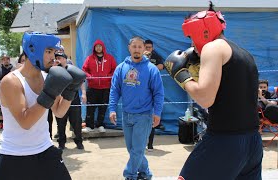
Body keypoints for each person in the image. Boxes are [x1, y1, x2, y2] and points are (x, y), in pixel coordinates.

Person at [164, 2, 263, 179]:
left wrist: (181, 75)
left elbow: (204, 98)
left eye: (191, 37)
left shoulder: (213, 47)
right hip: (253, 143)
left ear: (203, 31)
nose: (192, 44)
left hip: (225, 141)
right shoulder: (245, 54)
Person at [0, 32, 86, 180]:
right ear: (33, 50)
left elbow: (59, 112)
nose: (52, 57)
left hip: (45, 150)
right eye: (48, 51)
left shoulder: (47, 77)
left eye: (54, 52)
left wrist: (71, 90)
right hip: (14, 156)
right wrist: (48, 94)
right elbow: (26, 122)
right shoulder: (11, 82)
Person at [109, 36, 164, 180]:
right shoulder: (121, 68)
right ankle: (146, 174)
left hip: (144, 115)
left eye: (140, 47)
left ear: (144, 49)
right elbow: (115, 90)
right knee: (133, 150)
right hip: (126, 114)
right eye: (134, 46)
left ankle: (130, 175)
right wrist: (112, 109)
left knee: (137, 150)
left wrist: (157, 113)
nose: (137, 49)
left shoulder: (151, 69)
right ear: (129, 48)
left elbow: (158, 93)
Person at [82, 39, 117, 133]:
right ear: (94, 48)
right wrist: (90, 77)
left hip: (105, 87)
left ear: (103, 47)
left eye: (100, 46)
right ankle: (89, 126)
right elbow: (84, 69)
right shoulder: (89, 58)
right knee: (91, 107)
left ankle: (100, 125)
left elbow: (114, 69)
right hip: (92, 87)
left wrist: (108, 77)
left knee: (103, 107)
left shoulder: (110, 58)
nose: (98, 48)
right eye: (96, 46)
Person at [54, 51, 86, 150]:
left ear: (65, 59)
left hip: (74, 99)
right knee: (61, 122)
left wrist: (84, 93)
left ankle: (79, 141)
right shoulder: (54, 70)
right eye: (57, 58)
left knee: (76, 122)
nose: (58, 60)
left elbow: (81, 81)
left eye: (60, 58)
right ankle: (62, 142)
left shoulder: (72, 69)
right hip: (60, 99)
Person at [143, 39, 165, 151]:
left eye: (149, 48)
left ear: (152, 48)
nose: (147, 50)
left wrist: (153, 69)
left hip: (153, 91)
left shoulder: (156, 55)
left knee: (152, 118)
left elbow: (163, 65)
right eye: (146, 47)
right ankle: (140, 144)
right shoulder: (137, 58)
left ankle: (150, 144)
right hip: (140, 94)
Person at [0, 54, 14, 131]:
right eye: (4, 59)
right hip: (0, 95)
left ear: (9, 59)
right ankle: (1, 123)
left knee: (13, 110)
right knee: (0, 110)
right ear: (2, 60)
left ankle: (12, 124)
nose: (6, 60)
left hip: (14, 94)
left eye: (7, 59)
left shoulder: (14, 70)